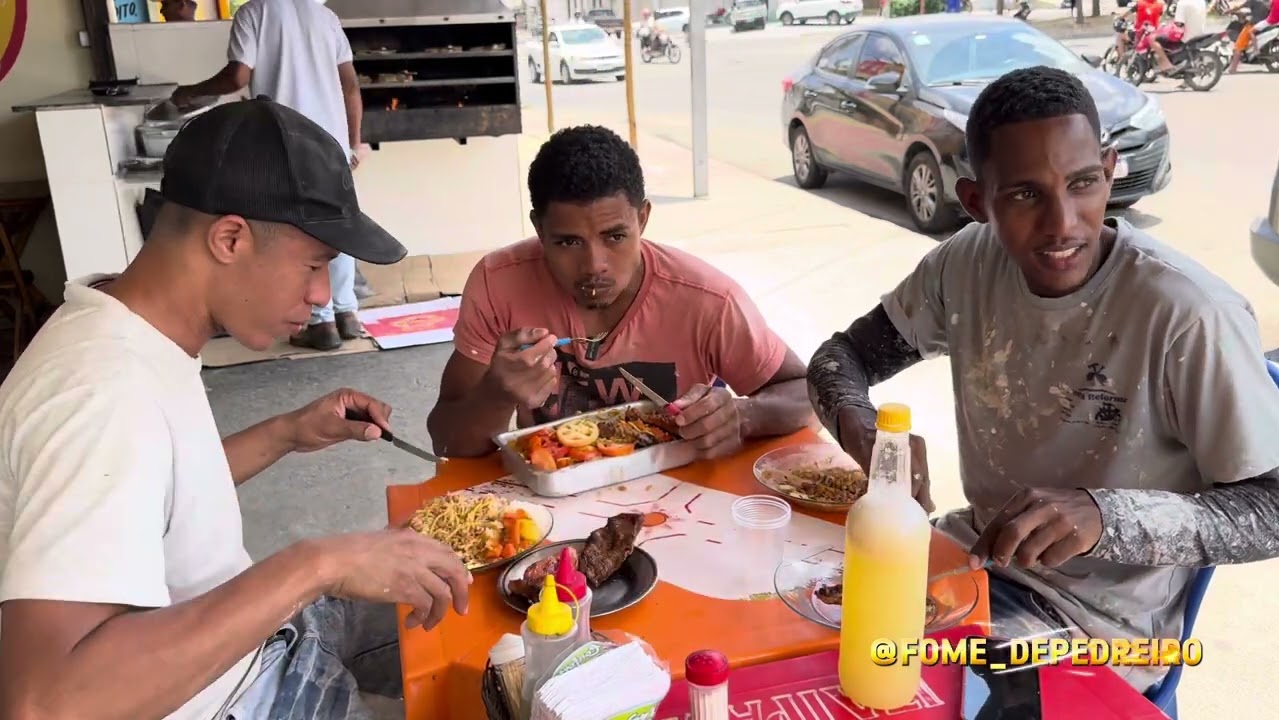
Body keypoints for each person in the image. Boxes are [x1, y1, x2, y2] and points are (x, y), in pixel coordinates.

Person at [807, 67, 1279, 694]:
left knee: (912, 690)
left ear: (1110, 171)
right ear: (977, 201)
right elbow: (840, 358)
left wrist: (1107, 516)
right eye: (1026, 195)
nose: (1064, 223)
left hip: (1102, 629)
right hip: (972, 562)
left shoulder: (1188, 315)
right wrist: (864, 434)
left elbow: (1271, 507)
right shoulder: (965, 263)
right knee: (807, 635)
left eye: (1083, 184)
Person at [0, 100, 469, 720]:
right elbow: (47, 703)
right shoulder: (99, 392)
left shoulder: (130, 330)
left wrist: (287, 432)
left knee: (474, 591)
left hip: (259, 646)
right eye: (314, 264)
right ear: (229, 238)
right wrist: (319, 563)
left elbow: (154, 496)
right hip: (239, 699)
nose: (323, 294)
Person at [427, 125, 814, 459]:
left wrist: (743, 416)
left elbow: (806, 392)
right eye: (568, 242)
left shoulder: (706, 299)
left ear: (642, 219)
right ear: (539, 229)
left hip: (688, 502)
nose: (595, 264)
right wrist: (497, 394)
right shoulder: (499, 284)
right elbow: (447, 442)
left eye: (615, 236)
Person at [173, 0, 369, 352]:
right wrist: (353, 142)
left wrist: (190, 91)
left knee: (300, 230)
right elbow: (350, 85)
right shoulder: (325, 17)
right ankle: (347, 313)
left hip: (287, 142)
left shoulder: (254, 13)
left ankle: (321, 322)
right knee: (339, 223)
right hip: (333, 143)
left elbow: (237, 77)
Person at [1227, 0, 1279, 72]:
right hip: (1266, 25)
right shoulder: (1268, 2)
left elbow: (1239, 7)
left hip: (1253, 25)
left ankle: (1233, 69)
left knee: (1238, 47)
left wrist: (1229, 11)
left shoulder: (1252, 1)